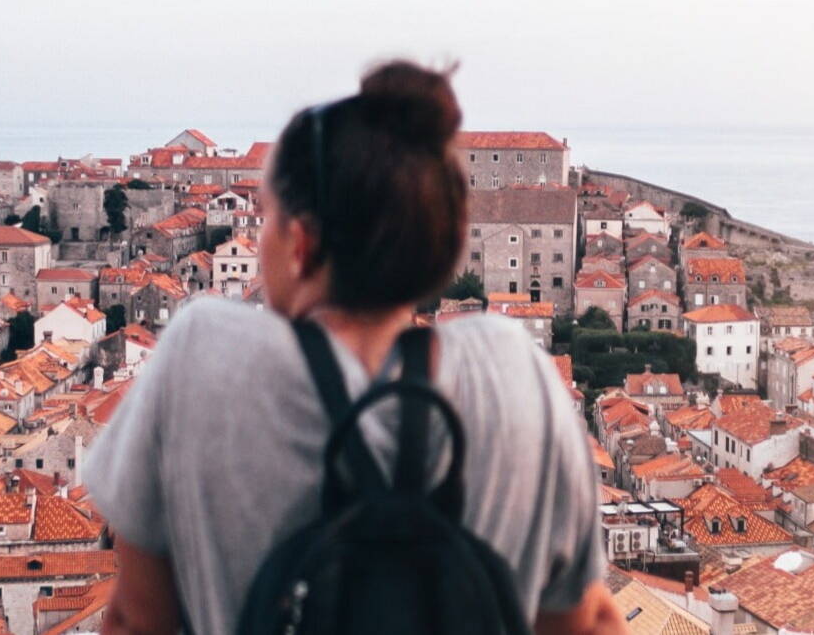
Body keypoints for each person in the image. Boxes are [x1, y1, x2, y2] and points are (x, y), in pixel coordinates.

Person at [84, 60, 626, 635]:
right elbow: (580, 620)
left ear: (302, 242)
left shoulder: (203, 355)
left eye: (266, 218)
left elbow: (135, 619)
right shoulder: (515, 372)